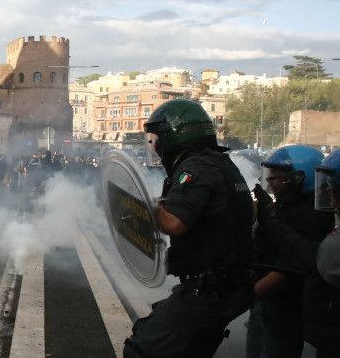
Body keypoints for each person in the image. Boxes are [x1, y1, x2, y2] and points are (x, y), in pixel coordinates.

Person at [123, 99, 254, 358]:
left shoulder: (195, 167)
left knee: (143, 349)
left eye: (158, 136)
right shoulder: (220, 163)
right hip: (228, 285)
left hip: (209, 291)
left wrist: (145, 206)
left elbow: (174, 222)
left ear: (175, 134)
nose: (155, 144)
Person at [247, 145, 334, 358]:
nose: (271, 182)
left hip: (284, 305)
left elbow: (290, 267)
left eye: (280, 178)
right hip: (264, 299)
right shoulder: (283, 207)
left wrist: (251, 292)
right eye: (270, 176)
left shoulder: (311, 215)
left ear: (301, 178)